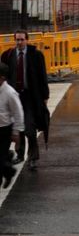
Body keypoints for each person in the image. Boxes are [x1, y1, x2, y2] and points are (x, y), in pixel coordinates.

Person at [1, 31, 49, 170]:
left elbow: (42, 76)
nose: (19, 42)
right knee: (17, 128)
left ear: (27, 40)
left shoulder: (36, 55)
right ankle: (20, 154)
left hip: (30, 97)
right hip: (14, 96)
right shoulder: (8, 55)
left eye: (22, 40)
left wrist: (45, 97)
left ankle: (33, 157)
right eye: (17, 40)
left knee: (29, 129)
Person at [0, 62, 24, 188]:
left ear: (2, 78)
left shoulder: (10, 93)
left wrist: (16, 132)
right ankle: (8, 166)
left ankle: (8, 171)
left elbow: (18, 113)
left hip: (4, 130)